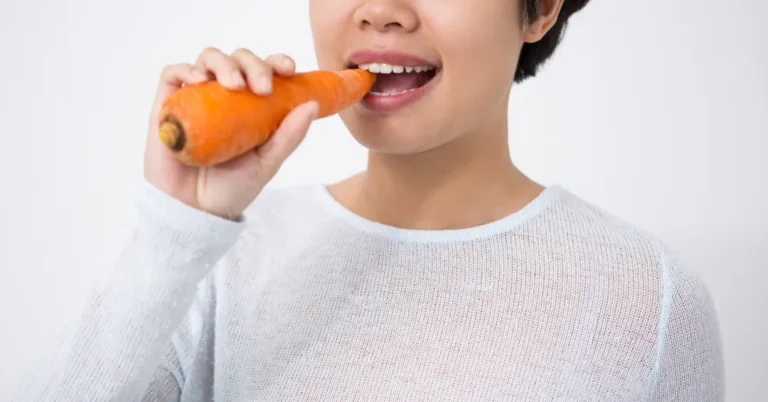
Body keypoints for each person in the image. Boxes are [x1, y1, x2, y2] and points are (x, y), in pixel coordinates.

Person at [10, 0, 724, 400]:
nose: (380, 9)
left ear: (538, 11)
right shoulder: (222, 258)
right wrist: (176, 225)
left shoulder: (648, 298)